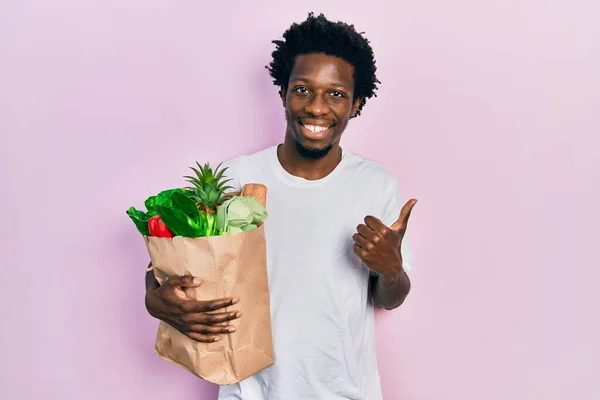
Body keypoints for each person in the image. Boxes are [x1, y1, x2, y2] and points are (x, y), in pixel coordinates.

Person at [144, 12, 417, 400]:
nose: (317, 108)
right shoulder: (236, 178)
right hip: (250, 392)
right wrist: (154, 300)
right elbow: (175, 265)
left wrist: (391, 270)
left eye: (336, 94)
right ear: (283, 92)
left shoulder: (376, 184)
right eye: (303, 89)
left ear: (356, 104)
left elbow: (390, 297)